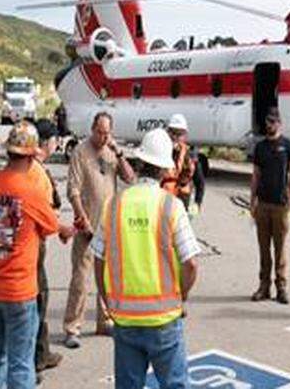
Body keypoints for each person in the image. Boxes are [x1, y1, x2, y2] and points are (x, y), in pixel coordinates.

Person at [93, 128, 201, 389]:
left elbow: (98, 258)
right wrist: (181, 294)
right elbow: (191, 263)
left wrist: (107, 299)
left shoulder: (115, 204)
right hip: (163, 317)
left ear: (140, 164)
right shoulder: (170, 206)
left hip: (125, 317)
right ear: (165, 170)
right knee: (175, 384)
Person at [0, 122, 75, 389]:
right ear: (32, 155)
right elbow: (51, 226)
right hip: (19, 289)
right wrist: (68, 230)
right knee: (20, 364)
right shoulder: (30, 192)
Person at [64, 111, 136, 349]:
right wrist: (80, 217)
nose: (103, 137)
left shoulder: (111, 152)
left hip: (108, 224)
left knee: (106, 277)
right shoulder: (80, 152)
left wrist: (119, 152)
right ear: (92, 129)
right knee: (81, 279)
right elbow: (72, 189)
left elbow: (130, 178)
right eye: (99, 132)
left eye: (107, 133)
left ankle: (103, 322)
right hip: (87, 223)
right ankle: (72, 327)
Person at [249, 108, 290, 304]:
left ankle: (281, 287)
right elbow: (255, 175)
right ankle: (264, 286)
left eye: (273, 121)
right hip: (263, 204)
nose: (269, 125)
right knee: (263, 248)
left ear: (279, 123)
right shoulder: (260, 147)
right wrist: (252, 200)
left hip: (280, 205)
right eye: (267, 122)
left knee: (280, 248)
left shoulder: (287, 146)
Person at [31, 119, 65, 376]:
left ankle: (42, 353)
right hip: (33, 244)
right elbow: (42, 211)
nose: (57, 143)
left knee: (39, 298)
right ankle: (34, 361)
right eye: (55, 139)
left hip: (35, 242)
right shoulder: (36, 172)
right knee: (38, 299)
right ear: (45, 142)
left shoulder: (33, 168)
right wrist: (61, 228)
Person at [168, 114, 205, 215]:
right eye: (173, 133)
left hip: (181, 204)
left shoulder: (191, 156)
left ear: (185, 135)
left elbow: (200, 182)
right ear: (168, 132)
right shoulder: (161, 151)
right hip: (161, 201)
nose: (175, 137)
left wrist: (197, 203)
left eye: (179, 134)